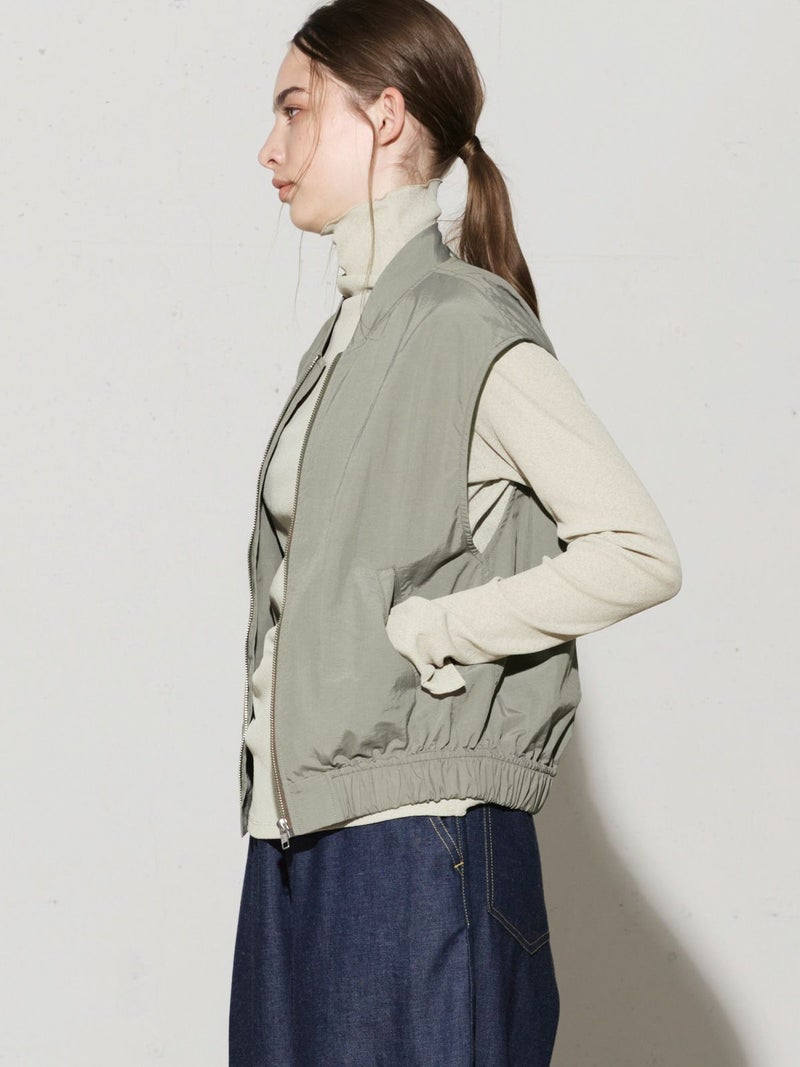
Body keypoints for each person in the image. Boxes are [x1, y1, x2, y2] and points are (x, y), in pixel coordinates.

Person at [228, 1, 683, 1064]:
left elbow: (636, 550)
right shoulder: (341, 342)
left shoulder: (465, 321)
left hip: (419, 847)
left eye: (294, 111)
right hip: (296, 843)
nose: (269, 149)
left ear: (383, 117)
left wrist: (431, 631)